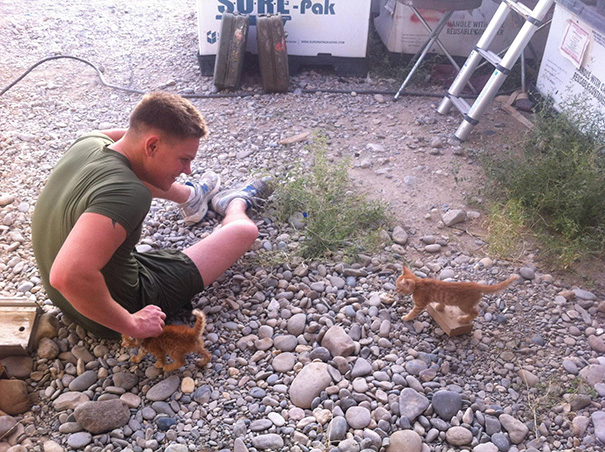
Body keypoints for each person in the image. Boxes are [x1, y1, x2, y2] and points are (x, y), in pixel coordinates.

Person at [32, 91, 270, 340]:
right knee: (245, 231)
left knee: (144, 167)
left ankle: (192, 197)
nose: (188, 170)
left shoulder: (87, 142)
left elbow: (128, 138)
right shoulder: (130, 194)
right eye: (184, 159)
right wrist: (132, 324)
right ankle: (235, 202)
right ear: (152, 144)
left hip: (67, 300)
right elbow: (67, 276)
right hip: (116, 309)